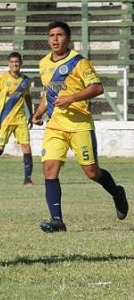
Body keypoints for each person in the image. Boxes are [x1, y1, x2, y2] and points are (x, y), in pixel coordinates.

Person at [31, 21, 128, 232]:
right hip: (55, 126)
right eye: (51, 35)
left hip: (79, 125)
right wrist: (38, 113)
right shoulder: (43, 63)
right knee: (49, 168)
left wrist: (72, 98)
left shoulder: (79, 62)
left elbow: (97, 87)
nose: (55, 39)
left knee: (92, 172)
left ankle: (117, 192)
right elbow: (50, 93)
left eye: (59, 35)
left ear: (68, 39)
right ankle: (57, 221)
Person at [0, 52, 34, 186]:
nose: (14, 64)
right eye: (12, 62)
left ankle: (27, 179)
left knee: (26, 147)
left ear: (21, 63)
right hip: (5, 119)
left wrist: (32, 114)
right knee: (0, 149)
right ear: (9, 63)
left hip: (20, 119)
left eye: (17, 62)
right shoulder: (2, 78)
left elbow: (28, 97)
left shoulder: (25, 81)